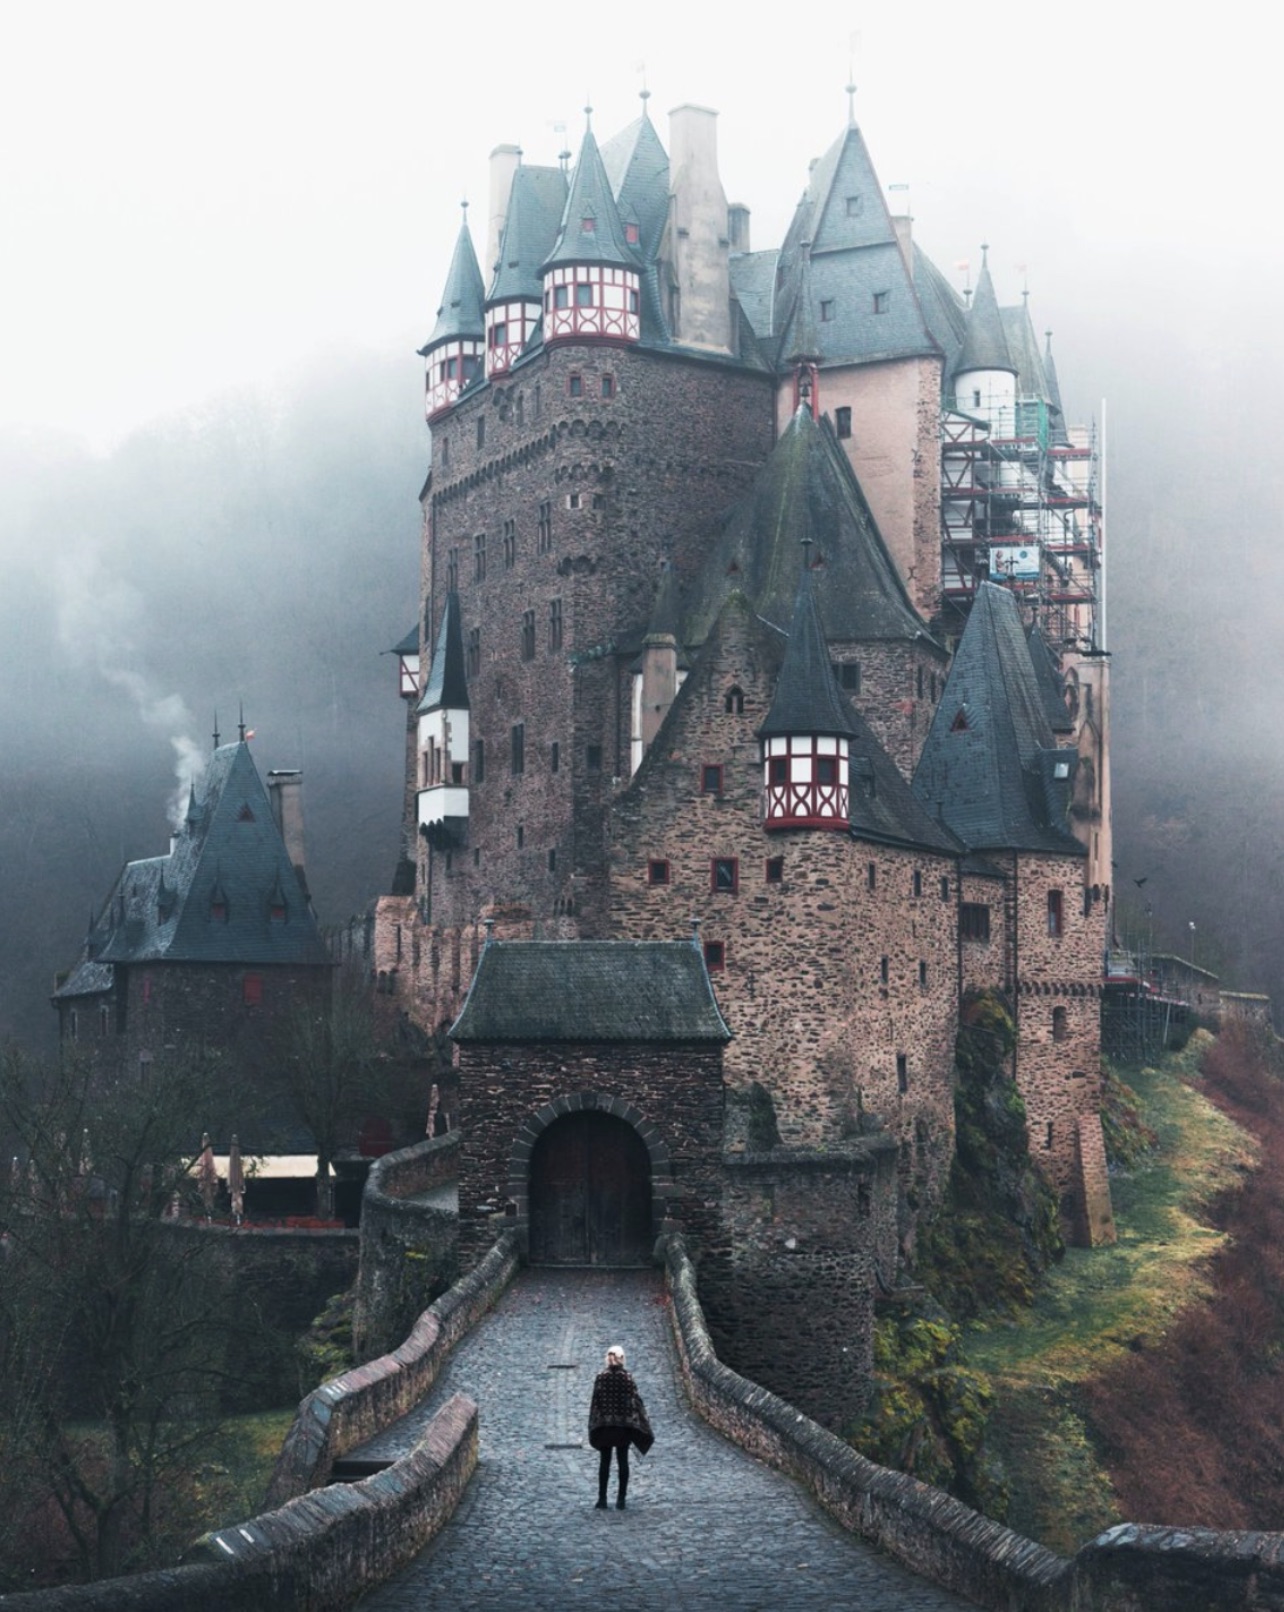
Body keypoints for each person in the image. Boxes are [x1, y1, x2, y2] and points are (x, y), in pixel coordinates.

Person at [587, 1344, 653, 1510]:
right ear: (622, 1359)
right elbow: (635, 1402)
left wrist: (595, 1425)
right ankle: (621, 1500)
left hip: (605, 1427)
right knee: (623, 1461)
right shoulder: (627, 1378)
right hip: (623, 1427)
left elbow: (596, 1402)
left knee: (605, 1462)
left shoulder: (601, 1377)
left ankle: (602, 1499)